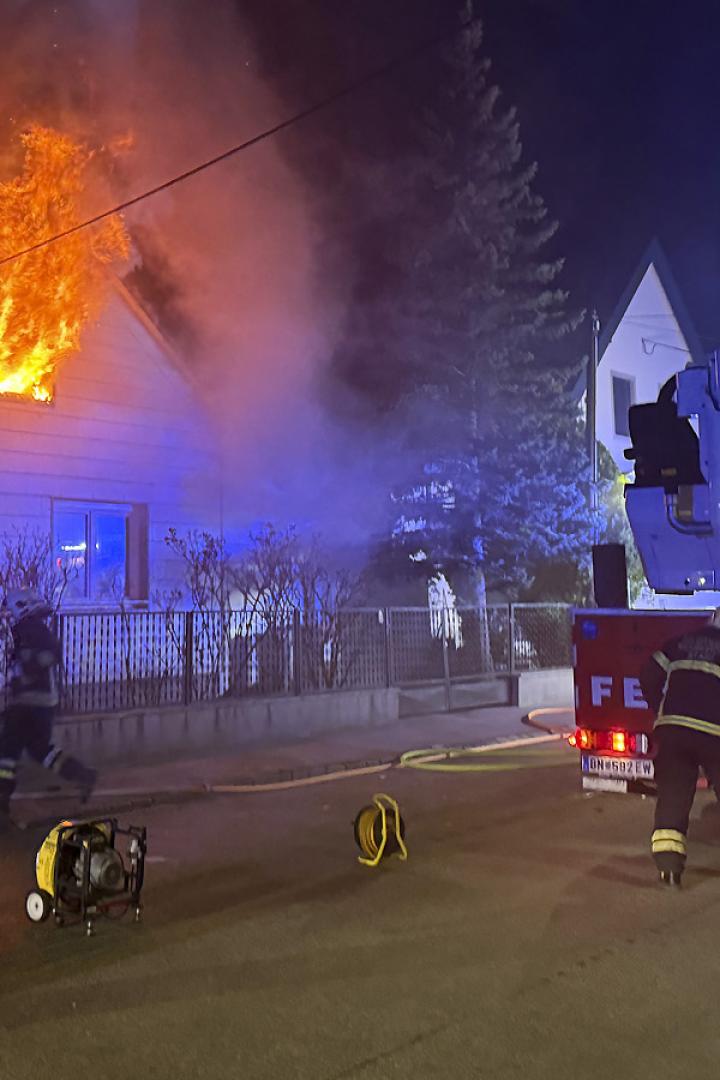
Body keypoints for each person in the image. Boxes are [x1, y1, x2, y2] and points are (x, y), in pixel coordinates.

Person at [0, 588, 96, 832]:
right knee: (40, 750)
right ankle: (82, 775)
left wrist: (27, 668)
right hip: (40, 703)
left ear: (21, 608)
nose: (9, 615)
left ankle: (1, 803)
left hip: (29, 703)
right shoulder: (29, 630)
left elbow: (49, 653)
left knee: (6, 751)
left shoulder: (31, 629)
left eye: (10, 610)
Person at [639, 608, 720, 887]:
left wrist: (657, 707)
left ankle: (669, 871)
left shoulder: (680, 641)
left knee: (673, 798)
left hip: (674, 731)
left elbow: (649, 674)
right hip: (715, 734)